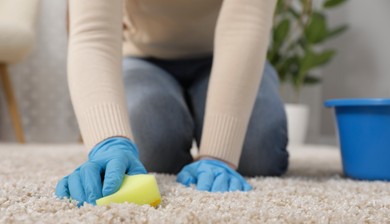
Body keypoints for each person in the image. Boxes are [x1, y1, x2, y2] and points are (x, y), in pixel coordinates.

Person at [55, 0, 289, 206]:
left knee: (259, 152)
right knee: (152, 147)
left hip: (227, 56)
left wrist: (218, 155)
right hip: (143, 57)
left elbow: (246, 21)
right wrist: (108, 142)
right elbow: (94, 32)